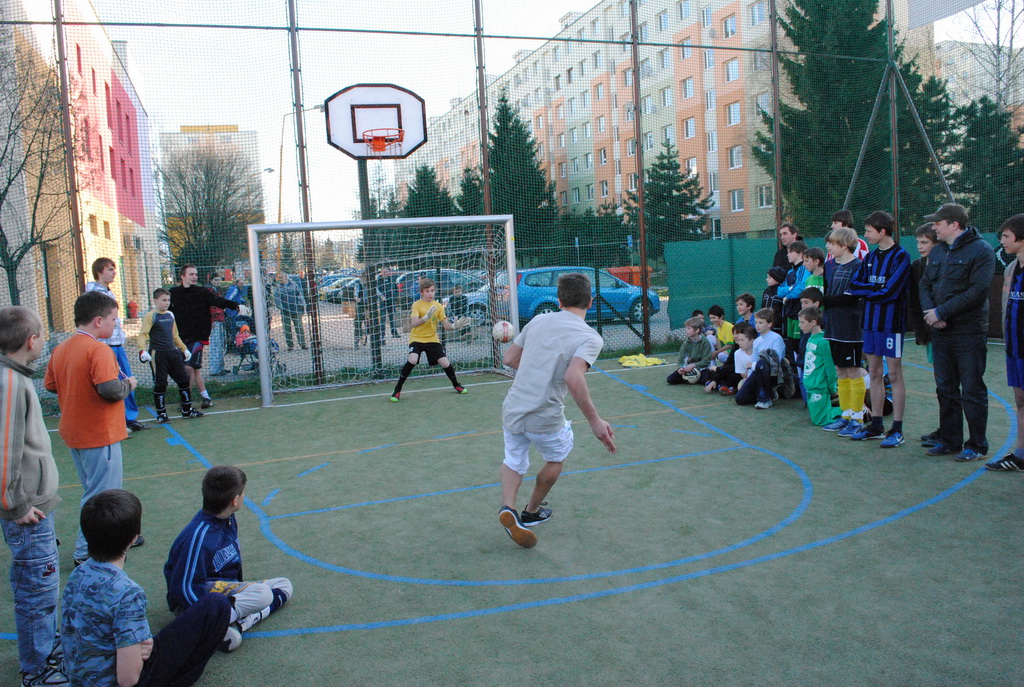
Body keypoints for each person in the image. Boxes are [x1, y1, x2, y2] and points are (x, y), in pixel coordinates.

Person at [62, 490, 232, 687]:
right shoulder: (127, 593)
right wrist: (136, 653)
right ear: (134, 538)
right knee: (216, 605)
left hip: (81, 680)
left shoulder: (78, 573)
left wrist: (139, 645)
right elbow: (128, 679)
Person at [498, 272, 616, 548]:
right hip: (545, 414)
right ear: (590, 301)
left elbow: (509, 358)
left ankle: (508, 507)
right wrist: (595, 420)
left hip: (514, 407)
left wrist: (537, 370)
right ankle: (531, 512)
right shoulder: (590, 337)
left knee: (514, 459)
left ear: (559, 300)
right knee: (555, 458)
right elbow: (573, 377)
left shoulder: (539, 320)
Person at [44, 291, 139, 565]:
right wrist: (129, 384)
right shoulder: (98, 349)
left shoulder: (62, 348)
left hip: (75, 432)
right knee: (102, 497)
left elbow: (51, 385)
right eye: (113, 319)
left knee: (94, 490)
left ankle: (111, 536)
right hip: (99, 433)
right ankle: (85, 551)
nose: (115, 324)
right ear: (98, 321)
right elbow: (110, 389)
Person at [0, 307, 68, 687]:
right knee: (36, 589)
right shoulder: (9, 383)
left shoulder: (15, 378)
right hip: (28, 511)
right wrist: (16, 504)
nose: (43, 340)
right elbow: (4, 450)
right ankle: (37, 668)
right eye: (42, 334)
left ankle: (45, 647)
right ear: (31, 340)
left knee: (41, 584)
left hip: (34, 506)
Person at [165, 466, 292, 648]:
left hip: (222, 591)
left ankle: (238, 625)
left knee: (284, 585)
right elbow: (184, 588)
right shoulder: (198, 537)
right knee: (263, 594)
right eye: (243, 493)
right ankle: (213, 625)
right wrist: (202, 615)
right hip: (196, 604)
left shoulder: (228, 519)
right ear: (235, 500)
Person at [919, 203, 995, 462]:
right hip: (941, 333)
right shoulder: (939, 250)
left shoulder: (981, 250)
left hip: (968, 333)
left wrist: (942, 312)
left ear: (954, 224)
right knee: (945, 389)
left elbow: (977, 291)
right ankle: (949, 440)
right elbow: (925, 284)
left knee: (972, 390)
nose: (934, 227)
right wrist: (932, 313)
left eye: (938, 223)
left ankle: (976, 445)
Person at [845, 211, 912, 447]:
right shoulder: (871, 257)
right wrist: (874, 290)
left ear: (882, 231)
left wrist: (869, 291)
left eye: (868, 231)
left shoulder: (901, 256)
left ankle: (897, 429)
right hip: (870, 323)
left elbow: (891, 292)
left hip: (891, 325)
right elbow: (854, 284)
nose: (865, 235)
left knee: (893, 374)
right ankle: (876, 425)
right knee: (873, 371)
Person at [170, 265, 249, 410]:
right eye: (191, 274)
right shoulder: (174, 293)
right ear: (182, 276)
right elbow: (167, 311)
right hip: (181, 338)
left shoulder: (202, 292)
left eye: (196, 274)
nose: (194, 277)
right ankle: (206, 397)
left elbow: (219, 301)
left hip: (198, 337)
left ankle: (186, 401)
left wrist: (236, 306)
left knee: (188, 368)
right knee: (195, 369)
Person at [85, 258, 145, 434]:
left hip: (118, 345)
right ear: (99, 272)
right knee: (111, 383)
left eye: (114, 269)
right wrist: (100, 345)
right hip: (105, 346)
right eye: (110, 269)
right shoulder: (93, 295)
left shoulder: (109, 293)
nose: (114, 272)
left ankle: (129, 418)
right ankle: (115, 422)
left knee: (127, 380)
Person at [389, 278, 471, 402]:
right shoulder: (417, 305)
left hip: (432, 339)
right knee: (412, 360)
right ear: (422, 292)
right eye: (427, 291)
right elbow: (414, 323)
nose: (430, 293)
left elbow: (446, 325)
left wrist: (455, 326)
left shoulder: (438, 306)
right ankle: (397, 389)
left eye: (432, 291)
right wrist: (425, 317)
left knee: (445, 363)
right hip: (417, 338)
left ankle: (456, 385)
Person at [819, 227, 865, 435]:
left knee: (853, 370)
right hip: (833, 326)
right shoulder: (830, 266)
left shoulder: (858, 266)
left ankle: (858, 418)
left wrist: (822, 301)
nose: (828, 247)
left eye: (832, 243)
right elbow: (829, 294)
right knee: (840, 370)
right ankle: (845, 415)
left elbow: (852, 297)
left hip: (851, 327)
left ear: (845, 245)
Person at [989, 214, 1024, 471]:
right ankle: (1020, 455)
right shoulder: (1012, 269)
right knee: (1020, 400)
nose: (1002, 241)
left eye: (1006, 236)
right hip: (1015, 348)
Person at [137, 288, 202, 423]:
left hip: (173, 353)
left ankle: (187, 410)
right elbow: (143, 335)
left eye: (168, 300)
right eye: (163, 300)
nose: (166, 303)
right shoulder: (151, 316)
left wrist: (184, 349)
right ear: (155, 301)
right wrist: (142, 350)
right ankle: (161, 414)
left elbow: (175, 335)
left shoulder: (170, 315)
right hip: (158, 354)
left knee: (184, 380)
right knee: (160, 384)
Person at [799, 306, 842, 427]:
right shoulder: (811, 338)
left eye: (802, 322)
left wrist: (832, 389)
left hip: (819, 387)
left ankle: (851, 411)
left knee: (820, 420)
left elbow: (830, 368)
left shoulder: (823, 342)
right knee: (816, 417)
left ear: (813, 322)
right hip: (810, 386)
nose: (799, 325)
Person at [735, 308, 787, 409]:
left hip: (773, 374)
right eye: (756, 322)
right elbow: (754, 361)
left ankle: (765, 399)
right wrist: (749, 379)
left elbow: (776, 361)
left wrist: (754, 365)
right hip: (758, 372)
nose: (757, 325)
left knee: (762, 363)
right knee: (740, 399)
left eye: (761, 322)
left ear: (769, 324)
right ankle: (767, 393)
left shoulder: (776, 338)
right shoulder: (757, 341)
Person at [776, 240, 810, 363]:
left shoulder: (803, 269)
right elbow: (780, 290)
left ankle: (802, 372)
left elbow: (800, 287)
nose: (787, 254)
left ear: (800, 253)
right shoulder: (790, 272)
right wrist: (790, 289)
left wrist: (789, 295)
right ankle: (795, 371)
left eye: (791, 252)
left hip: (798, 312)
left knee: (799, 345)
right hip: (789, 313)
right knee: (791, 345)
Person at [909, 223, 937, 363]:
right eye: (918, 242)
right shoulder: (916, 266)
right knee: (937, 367)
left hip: (947, 327)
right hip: (929, 328)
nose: (919, 246)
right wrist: (919, 330)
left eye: (924, 242)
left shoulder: (947, 265)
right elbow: (914, 301)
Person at [704, 322, 755, 396]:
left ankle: (727, 386)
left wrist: (718, 369)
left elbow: (735, 368)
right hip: (737, 371)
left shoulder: (753, 349)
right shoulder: (736, 349)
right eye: (733, 333)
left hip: (745, 374)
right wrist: (715, 380)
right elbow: (728, 363)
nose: (734, 336)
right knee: (712, 372)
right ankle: (719, 384)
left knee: (732, 376)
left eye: (737, 333)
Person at [667, 316, 715, 385]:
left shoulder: (705, 342)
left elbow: (706, 361)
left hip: (701, 368)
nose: (686, 330)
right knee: (670, 379)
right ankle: (689, 378)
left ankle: (693, 378)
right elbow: (681, 359)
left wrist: (694, 365)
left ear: (697, 330)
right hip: (688, 368)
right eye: (686, 328)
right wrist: (681, 368)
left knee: (705, 379)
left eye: (689, 328)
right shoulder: (686, 342)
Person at [274, 273, 308, 351]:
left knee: (299, 328)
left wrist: (302, 308)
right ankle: (290, 345)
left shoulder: (294, 285)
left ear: (286, 277)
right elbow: (276, 299)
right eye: (279, 277)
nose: (281, 279)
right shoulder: (278, 288)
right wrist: (281, 307)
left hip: (296, 310)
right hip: (285, 312)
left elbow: (300, 296)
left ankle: (303, 344)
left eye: (282, 277)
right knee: (287, 329)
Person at [205, 271, 228, 376]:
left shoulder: (218, 291)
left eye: (219, 280)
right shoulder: (209, 291)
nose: (218, 282)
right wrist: (210, 320)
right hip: (214, 320)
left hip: (220, 318)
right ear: (211, 281)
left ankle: (220, 367)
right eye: (216, 280)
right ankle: (214, 370)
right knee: (215, 344)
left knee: (221, 344)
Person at [377, 266, 402, 338]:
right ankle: (382, 334)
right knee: (383, 318)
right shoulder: (378, 280)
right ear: (381, 273)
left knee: (392, 317)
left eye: (386, 272)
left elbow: (396, 288)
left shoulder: (391, 279)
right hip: (383, 301)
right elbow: (376, 290)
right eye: (384, 272)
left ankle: (394, 333)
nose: (385, 273)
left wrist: (395, 295)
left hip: (391, 300)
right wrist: (381, 296)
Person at [762, 266, 787, 336]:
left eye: (769, 278)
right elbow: (762, 307)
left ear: (777, 279)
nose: (767, 279)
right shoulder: (766, 291)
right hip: (766, 326)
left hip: (778, 326)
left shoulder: (782, 292)